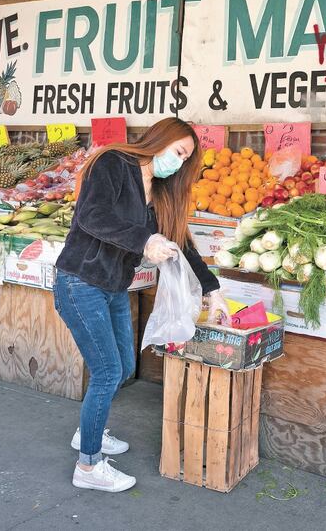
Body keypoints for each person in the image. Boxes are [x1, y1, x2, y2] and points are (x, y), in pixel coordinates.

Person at [53, 117, 230, 493]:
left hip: (114, 287)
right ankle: (88, 466)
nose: (179, 163)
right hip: (80, 281)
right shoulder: (114, 163)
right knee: (106, 371)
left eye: (186, 160)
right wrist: (144, 240)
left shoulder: (161, 193)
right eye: (179, 152)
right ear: (159, 140)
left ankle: (90, 431)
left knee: (124, 367)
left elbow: (182, 243)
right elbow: (92, 216)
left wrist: (213, 292)